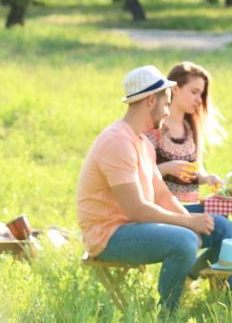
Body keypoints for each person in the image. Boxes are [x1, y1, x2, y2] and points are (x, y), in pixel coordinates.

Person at [76, 65, 214, 313]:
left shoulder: (142, 142)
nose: (168, 111)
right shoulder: (117, 141)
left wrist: (190, 218)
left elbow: (161, 194)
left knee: (220, 228)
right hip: (108, 235)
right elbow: (136, 209)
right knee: (184, 240)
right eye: (166, 103)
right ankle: (167, 315)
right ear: (151, 100)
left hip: (132, 227)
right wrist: (188, 224)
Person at [144, 61, 232, 304]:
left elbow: (194, 166)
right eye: (194, 92)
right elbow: (139, 173)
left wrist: (205, 177)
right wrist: (168, 168)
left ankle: (192, 274)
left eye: (201, 94)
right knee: (229, 232)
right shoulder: (155, 127)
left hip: (190, 205)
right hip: (165, 208)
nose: (199, 99)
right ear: (175, 90)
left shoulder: (190, 127)